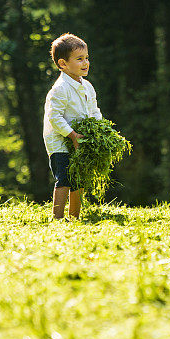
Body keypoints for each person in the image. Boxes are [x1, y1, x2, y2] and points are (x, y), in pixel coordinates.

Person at [43, 33, 103, 220]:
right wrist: (72, 135)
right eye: (79, 59)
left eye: (86, 58)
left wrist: (99, 128)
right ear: (63, 64)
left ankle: (75, 217)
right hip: (60, 140)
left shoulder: (88, 86)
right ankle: (58, 218)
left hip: (80, 138)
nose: (85, 63)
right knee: (65, 178)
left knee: (79, 177)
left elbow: (94, 110)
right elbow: (55, 117)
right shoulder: (60, 89)